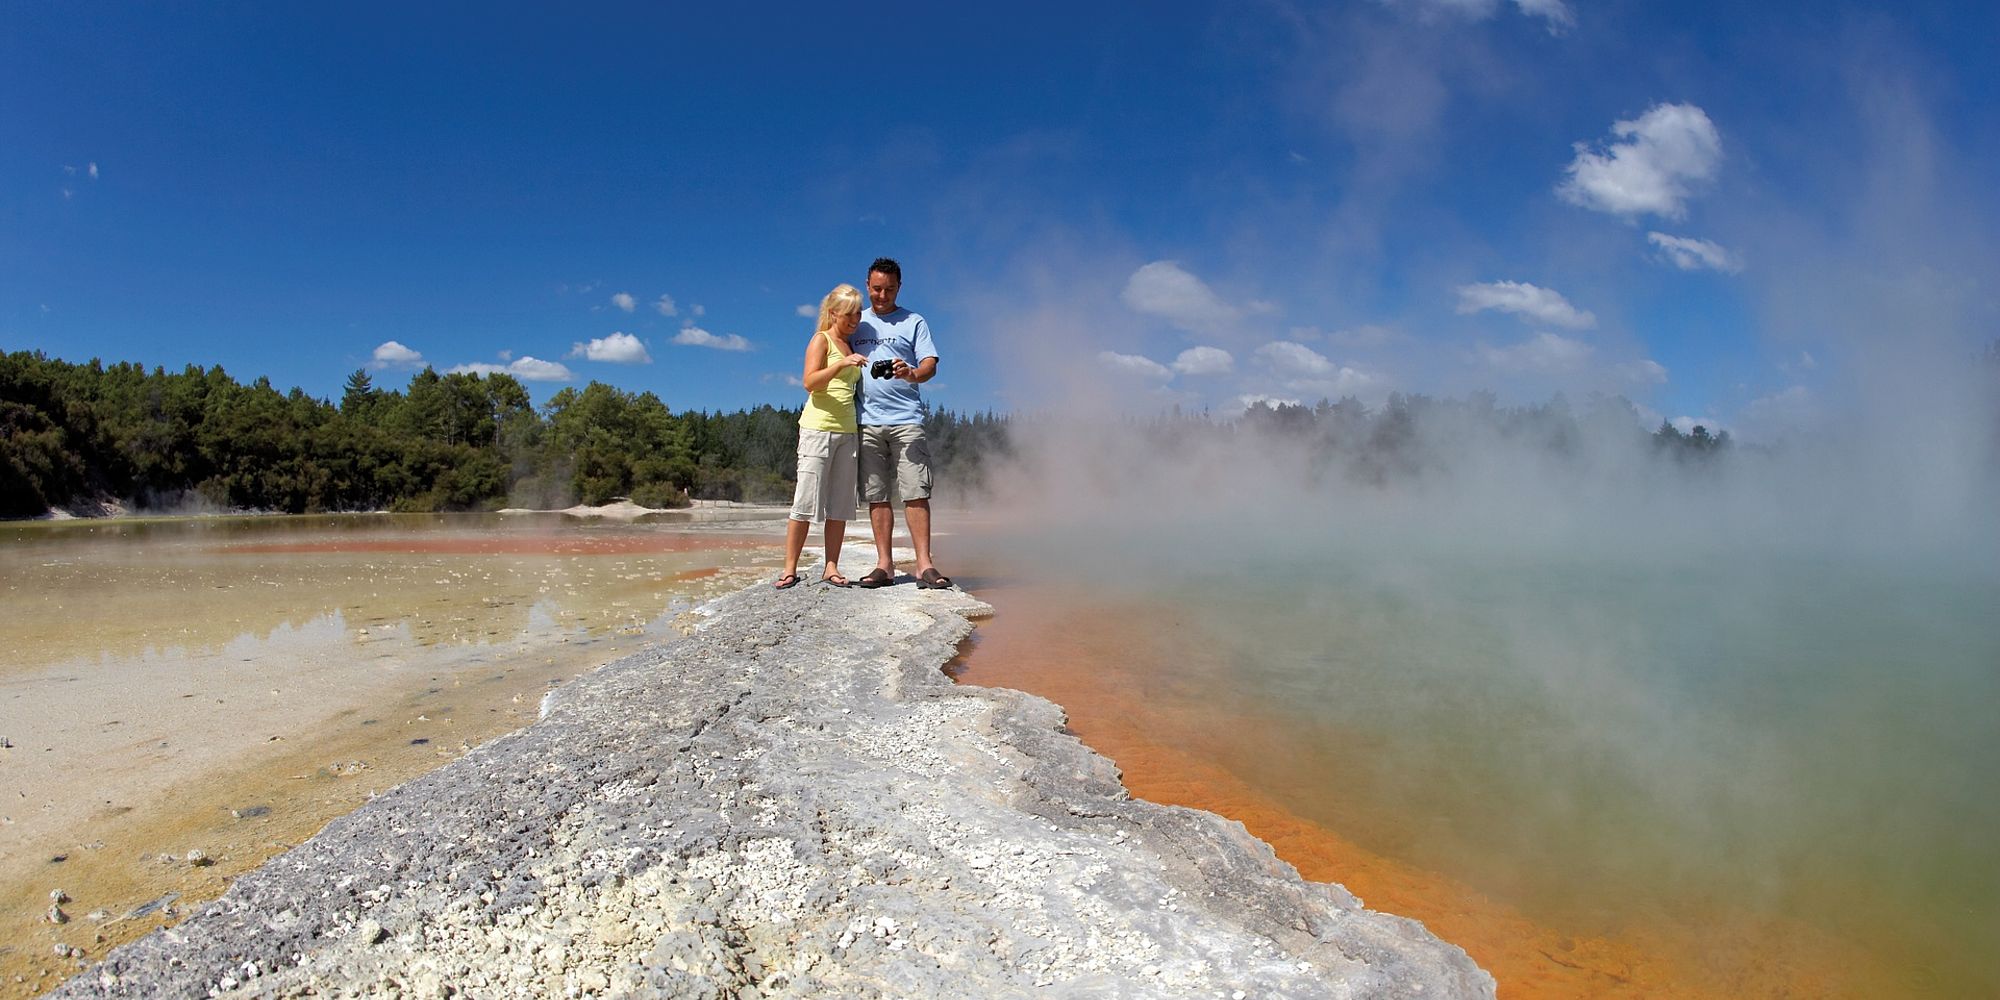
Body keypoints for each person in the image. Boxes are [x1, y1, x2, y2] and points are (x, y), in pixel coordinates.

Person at [850, 257, 951, 589]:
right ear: (867, 286)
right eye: (877, 289)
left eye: (889, 290)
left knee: (915, 492)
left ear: (899, 287)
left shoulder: (914, 321)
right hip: (867, 420)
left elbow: (930, 366)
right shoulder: (856, 323)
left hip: (907, 419)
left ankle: (924, 565)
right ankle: (885, 565)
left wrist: (911, 373)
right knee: (877, 495)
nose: (882, 296)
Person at [775, 283, 868, 589]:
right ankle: (790, 568)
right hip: (818, 429)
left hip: (847, 432)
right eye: (848, 315)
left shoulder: (852, 345)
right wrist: (842, 364)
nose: (854, 320)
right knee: (804, 501)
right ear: (833, 313)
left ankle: (831, 566)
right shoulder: (822, 340)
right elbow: (809, 382)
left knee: (840, 504)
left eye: (857, 314)